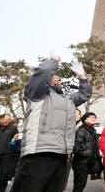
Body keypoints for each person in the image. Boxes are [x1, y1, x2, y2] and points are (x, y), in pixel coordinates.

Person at [13, 53, 92, 192]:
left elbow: (85, 94)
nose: (57, 79)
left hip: (62, 154)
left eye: (57, 78)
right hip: (39, 152)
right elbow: (44, 71)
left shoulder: (67, 99)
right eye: (53, 77)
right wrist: (55, 60)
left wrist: (82, 75)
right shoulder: (37, 94)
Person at [72, 112, 98, 192]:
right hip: (81, 162)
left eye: (94, 117)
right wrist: (88, 154)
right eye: (90, 117)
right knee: (79, 185)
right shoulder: (82, 130)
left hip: (87, 161)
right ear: (84, 119)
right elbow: (76, 147)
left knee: (81, 184)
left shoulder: (92, 130)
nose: (93, 118)